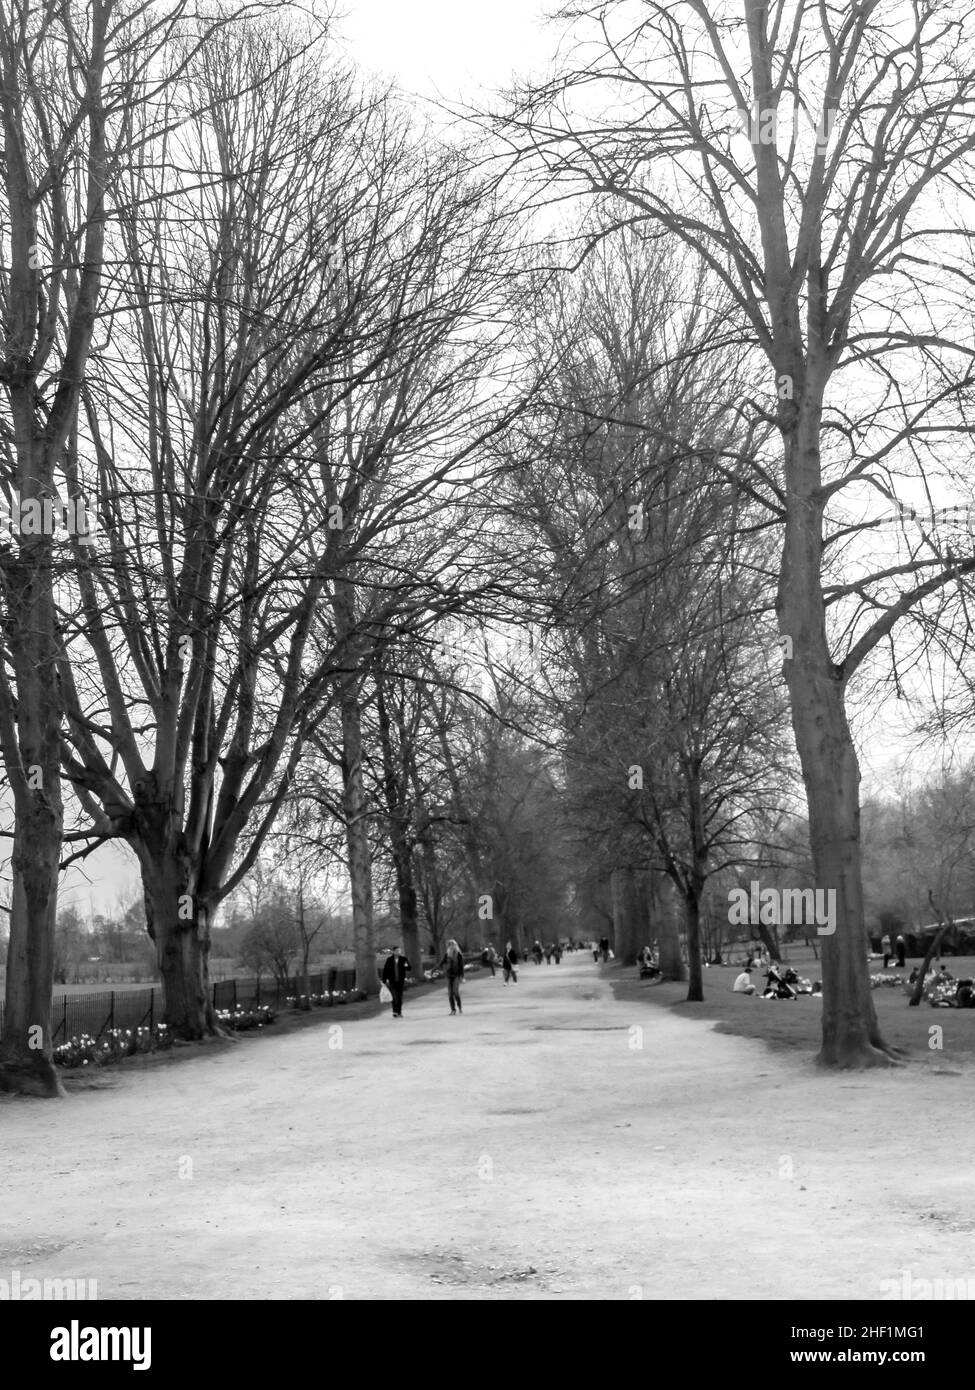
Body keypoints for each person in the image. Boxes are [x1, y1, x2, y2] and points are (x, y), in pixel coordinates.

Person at [381, 945, 410, 1018]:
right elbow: (386, 970)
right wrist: (384, 980)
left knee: (399, 997)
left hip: (400, 981)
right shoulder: (389, 959)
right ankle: (395, 1012)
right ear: (393, 952)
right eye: (397, 951)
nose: (398, 952)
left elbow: (409, 968)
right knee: (394, 996)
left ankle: (399, 1012)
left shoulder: (403, 959)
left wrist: (406, 966)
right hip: (392, 981)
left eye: (399, 951)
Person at [438, 939, 466, 1014]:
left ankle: (459, 1007)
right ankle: (453, 1010)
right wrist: (433, 970)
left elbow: (461, 967)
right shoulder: (447, 954)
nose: (451, 947)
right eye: (449, 945)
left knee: (455, 992)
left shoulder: (459, 955)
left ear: (455, 946)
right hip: (449, 975)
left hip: (456, 975)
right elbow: (441, 963)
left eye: (452, 945)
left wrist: (462, 977)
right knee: (450, 993)